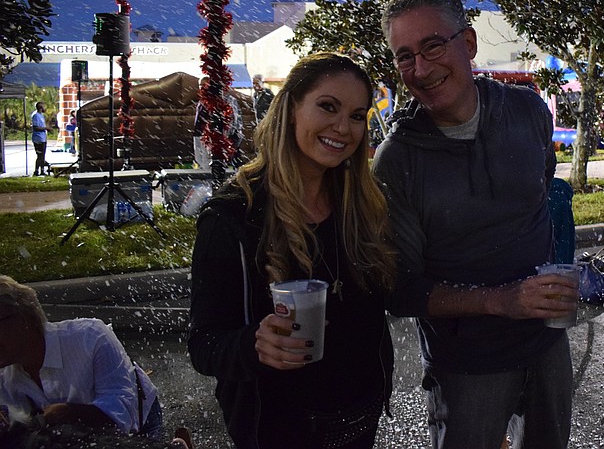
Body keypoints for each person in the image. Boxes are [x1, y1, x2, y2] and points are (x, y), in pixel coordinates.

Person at [372, 0, 577, 449]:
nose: (420, 69)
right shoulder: (397, 161)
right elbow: (401, 291)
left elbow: (541, 191)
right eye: (405, 57)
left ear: (468, 43)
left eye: (432, 46)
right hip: (465, 367)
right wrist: (502, 300)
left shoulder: (527, 111)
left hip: (548, 344)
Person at [188, 52, 397, 448]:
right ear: (291, 109)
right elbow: (204, 345)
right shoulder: (234, 216)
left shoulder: (364, 204)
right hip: (280, 430)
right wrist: (255, 344)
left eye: (357, 115)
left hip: (360, 420)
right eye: (328, 107)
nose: (343, 127)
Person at [0, 275, 162, 439]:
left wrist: (67, 413)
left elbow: (123, 413)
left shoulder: (90, 338)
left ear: (25, 318)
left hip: (141, 420)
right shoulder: (3, 372)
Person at [194, 77, 244, 169]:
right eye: (200, 85)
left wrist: (228, 134)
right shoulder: (203, 101)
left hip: (220, 136)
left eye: (204, 85)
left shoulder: (227, 100)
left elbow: (234, 119)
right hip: (202, 134)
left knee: (226, 159)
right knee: (202, 159)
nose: (202, 88)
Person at [30, 102, 50, 176]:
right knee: (40, 155)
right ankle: (36, 171)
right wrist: (46, 128)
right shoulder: (35, 115)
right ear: (40, 107)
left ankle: (42, 170)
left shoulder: (41, 115)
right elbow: (36, 127)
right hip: (38, 138)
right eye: (43, 106)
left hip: (43, 137)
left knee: (43, 155)